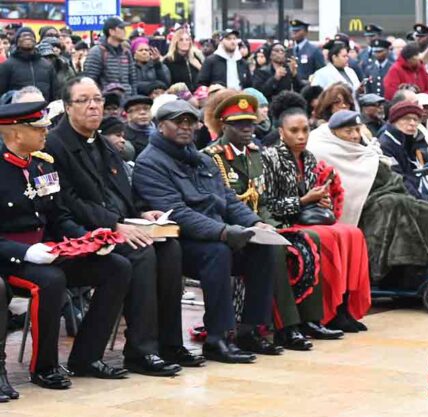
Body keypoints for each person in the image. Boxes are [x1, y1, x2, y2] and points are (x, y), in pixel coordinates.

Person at [46, 77, 198, 377]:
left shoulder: (103, 143)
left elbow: (120, 192)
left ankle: (168, 343)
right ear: (67, 107)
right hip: (77, 232)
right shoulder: (54, 145)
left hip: (116, 225)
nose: (93, 106)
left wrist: (143, 213)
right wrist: (115, 225)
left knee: (169, 247)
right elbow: (68, 203)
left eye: (98, 99)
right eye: (84, 100)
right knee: (140, 253)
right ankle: (140, 351)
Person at [133, 99, 280, 363]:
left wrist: (255, 223)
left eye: (190, 121)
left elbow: (229, 199)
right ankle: (217, 337)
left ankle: (250, 329)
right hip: (181, 242)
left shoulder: (201, 159)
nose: (186, 127)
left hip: (216, 233)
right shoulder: (150, 163)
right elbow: (177, 212)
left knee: (262, 248)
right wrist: (223, 231)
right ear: (160, 126)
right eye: (178, 122)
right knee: (218, 252)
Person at [0, 98, 131, 389]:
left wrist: (88, 239)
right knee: (51, 280)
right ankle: (44, 367)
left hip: (47, 250)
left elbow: (58, 216)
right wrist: (25, 252)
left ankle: (87, 356)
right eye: (39, 128)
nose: (46, 132)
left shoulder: (42, 166)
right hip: (11, 255)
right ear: (17, 133)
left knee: (116, 267)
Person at [202, 92, 343, 346]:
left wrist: (270, 226)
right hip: (233, 229)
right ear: (224, 125)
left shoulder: (254, 154)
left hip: (262, 223)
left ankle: (310, 319)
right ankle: (286, 326)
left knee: (309, 238)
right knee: (274, 250)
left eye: (250, 123)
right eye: (239, 124)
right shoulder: (213, 156)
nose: (247, 129)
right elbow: (218, 204)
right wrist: (260, 227)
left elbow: (263, 200)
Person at [260, 106, 372, 333]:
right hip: (281, 221)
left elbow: (314, 196)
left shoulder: (309, 158)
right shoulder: (269, 158)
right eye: (294, 131)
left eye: (305, 130)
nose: (301, 136)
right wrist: (302, 201)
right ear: (281, 132)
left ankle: (343, 308)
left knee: (352, 233)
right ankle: (322, 314)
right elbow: (268, 205)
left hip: (306, 218)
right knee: (325, 238)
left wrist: (322, 202)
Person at [310, 109, 428, 285]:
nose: (355, 136)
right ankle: (393, 270)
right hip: (359, 205)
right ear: (335, 132)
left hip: (383, 192)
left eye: (357, 130)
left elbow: (385, 174)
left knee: (424, 208)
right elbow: (348, 187)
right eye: (348, 131)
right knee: (395, 203)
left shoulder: (366, 146)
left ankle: (419, 266)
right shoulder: (324, 148)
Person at [378, 99, 428, 197]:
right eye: (406, 118)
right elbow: (398, 179)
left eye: (415, 119)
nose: (412, 123)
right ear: (394, 120)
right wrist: (422, 200)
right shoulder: (386, 144)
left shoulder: (408, 140)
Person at [0, 27, 59, 102]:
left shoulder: (47, 65)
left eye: (30, 36)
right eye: (24, 36)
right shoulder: (7, 65)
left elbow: (55, 93)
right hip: (18, 111)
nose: (27, 37)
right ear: (17, 41)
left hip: (43, 110)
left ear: (35, 41)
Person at [84, 17, 136, 94]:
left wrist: (133, 98)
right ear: (111, 31)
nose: (125, 31)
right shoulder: (97, 52)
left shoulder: (126, 52)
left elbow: (132, 80)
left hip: (127, 100)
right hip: (107, 101)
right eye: (121, 28)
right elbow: (90, 81)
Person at [164, 27, 203, 91]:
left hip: (198, 94)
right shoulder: (169, 60)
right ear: (176, 42)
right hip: (178, 95)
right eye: (181, 40)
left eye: (187, 39)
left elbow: (205, 79)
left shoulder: (195, 57)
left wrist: (199, 67)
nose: (185, 42)